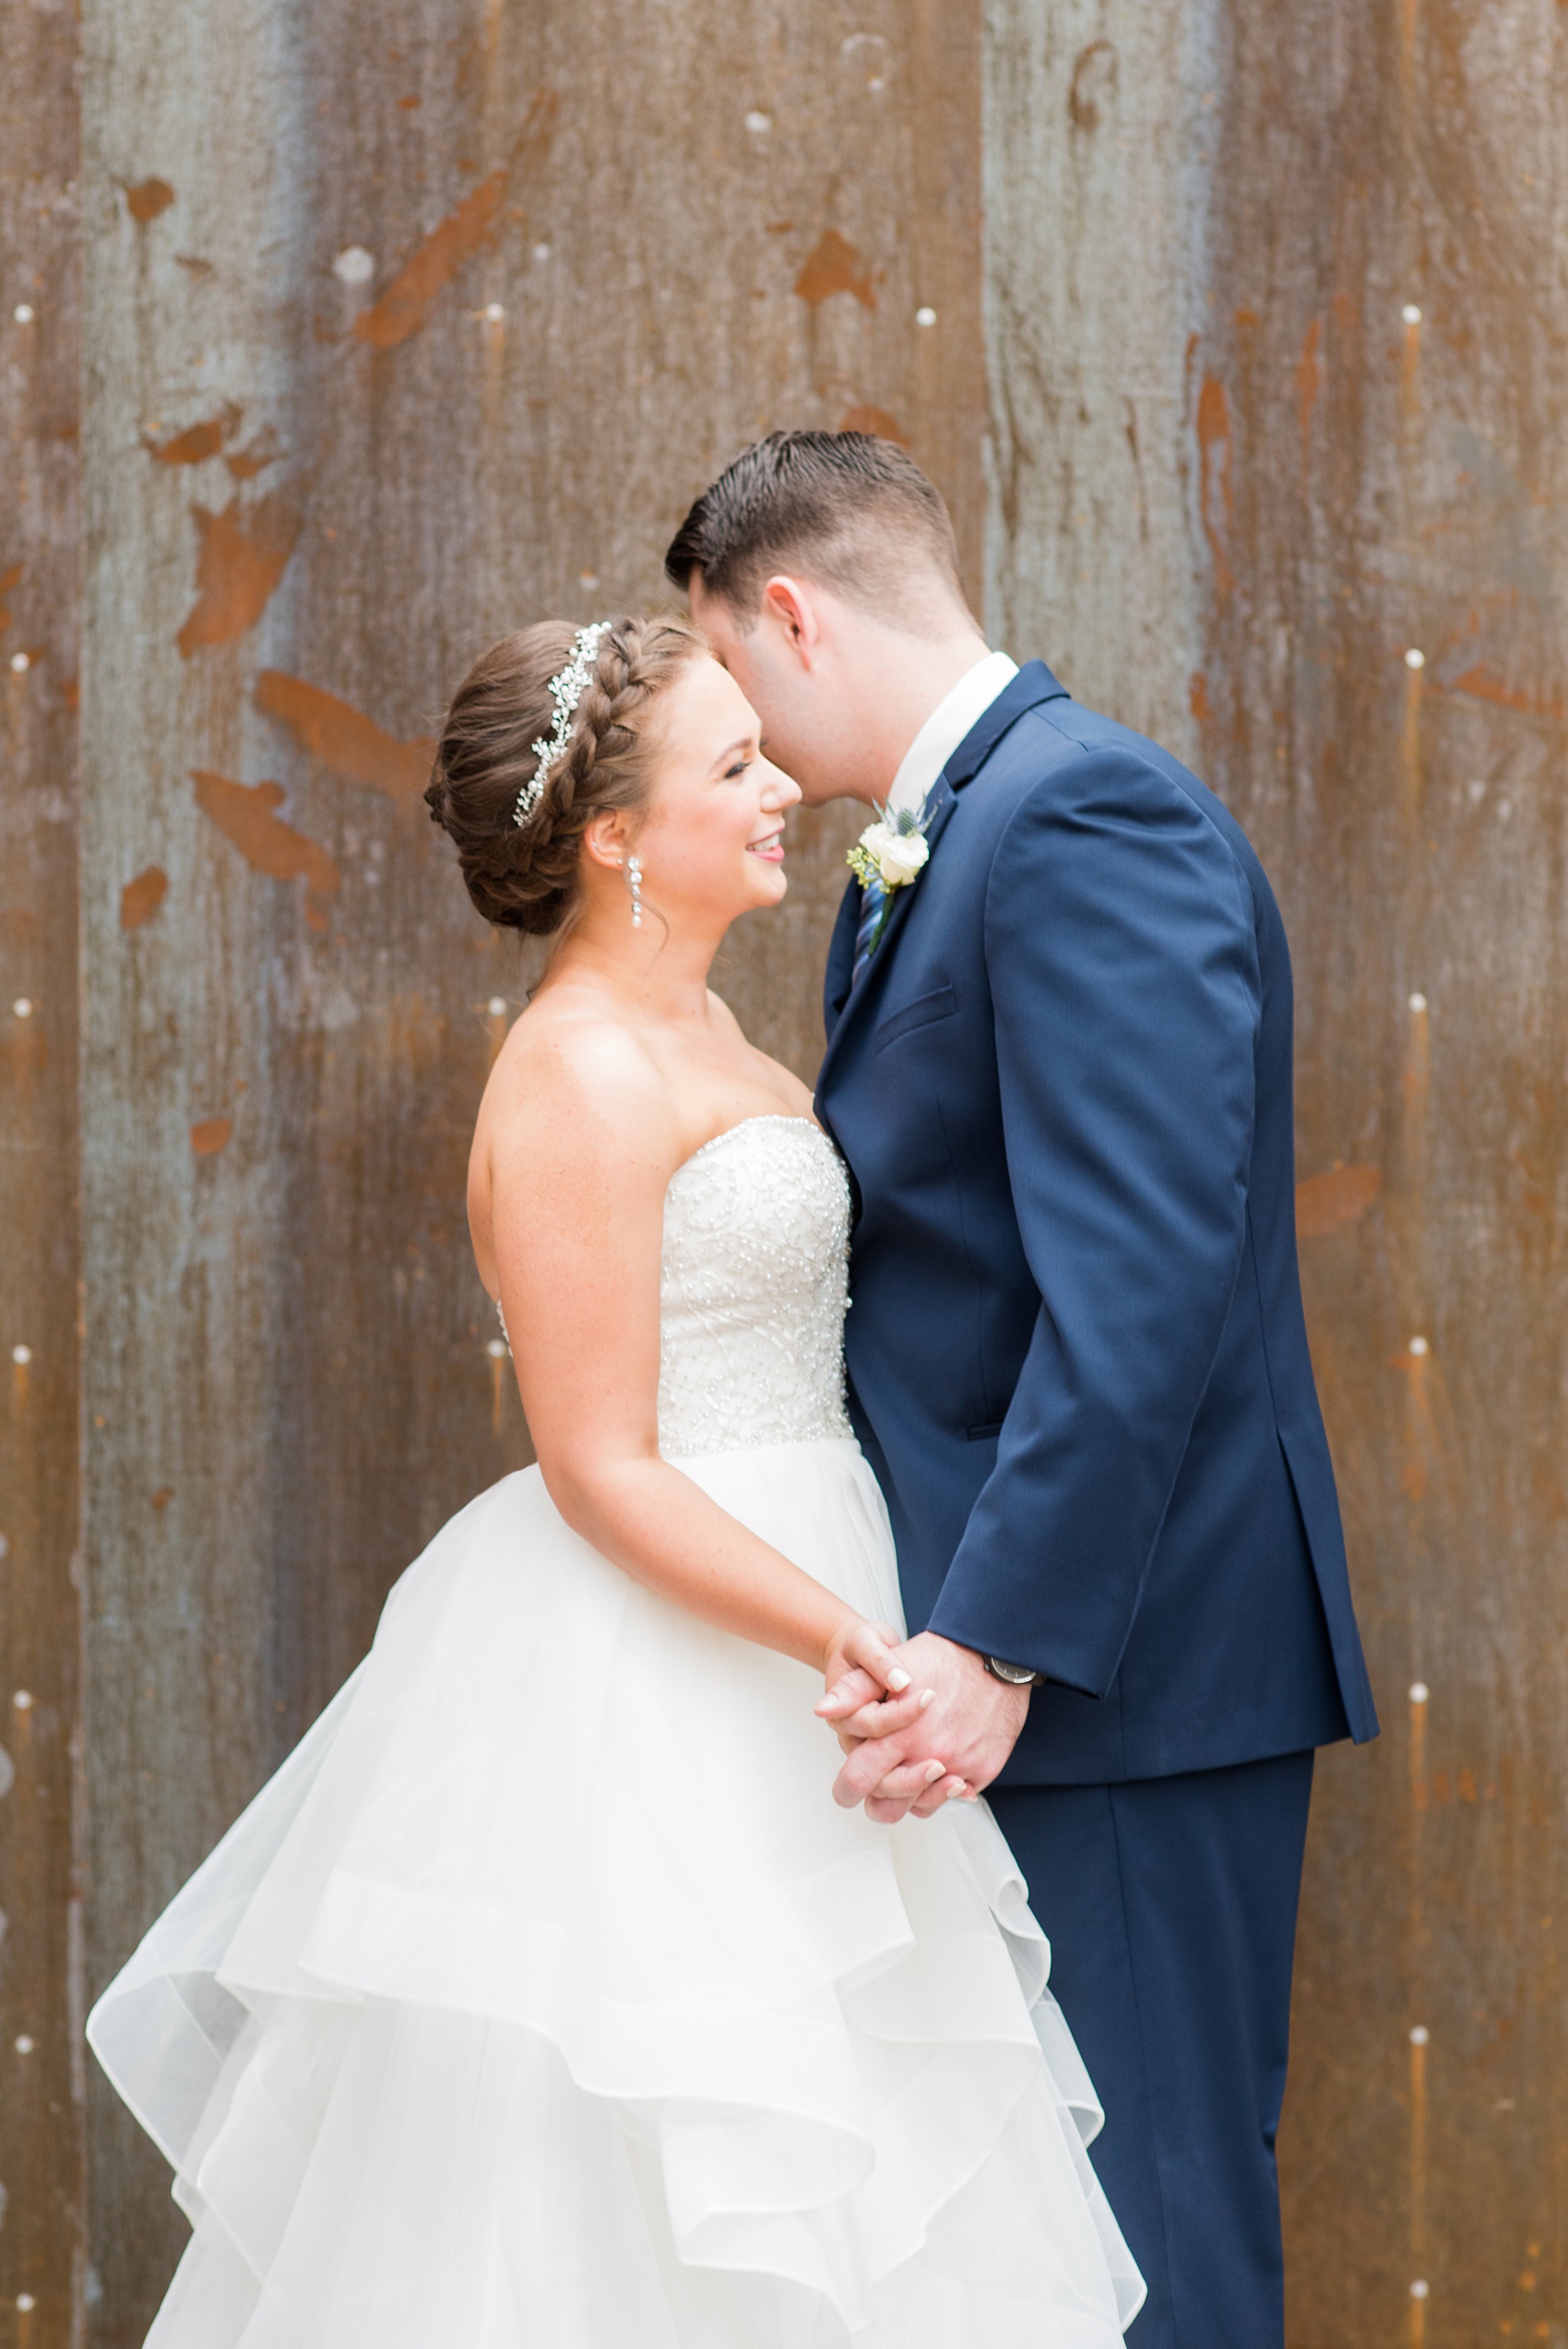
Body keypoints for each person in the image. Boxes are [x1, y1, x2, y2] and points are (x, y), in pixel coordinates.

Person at [87, 612, 1143, 2345]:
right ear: (614, 838)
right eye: (733, 766)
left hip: (802, 1605)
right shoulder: (577, 1068)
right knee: (640, 2165)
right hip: (668, 1660)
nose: (783, 784)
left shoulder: (719, 1035)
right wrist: (848, 1645)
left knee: (853, 2161)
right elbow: (596, 1465)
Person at [665, 431, 1380, 2349]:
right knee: (1043, 2251)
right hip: (1032, 1675)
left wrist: (996, 1636)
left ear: (789, 615)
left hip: (1115, 1675)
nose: (727, 717)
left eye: (724, 663)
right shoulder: (957, 829)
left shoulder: (1075, 820)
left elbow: (1139, 1285)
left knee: (1146, 2242)